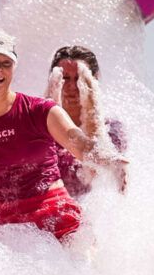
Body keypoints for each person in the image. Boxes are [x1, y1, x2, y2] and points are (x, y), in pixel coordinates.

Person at [0, 29, 126, 242]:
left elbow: (79, 144)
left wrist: (108, 158)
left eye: (5, 63)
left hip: (58, 223)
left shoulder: (41, 110)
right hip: (7, 234)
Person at [47, 46, 127, 198]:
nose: (71, 87)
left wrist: (92, 111)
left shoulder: (111, 130)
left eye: (79, 79)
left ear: (93, 80)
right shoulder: (36, 124)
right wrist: (48, 107)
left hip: (91, 214)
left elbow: (95, 176)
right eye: (64, 78)